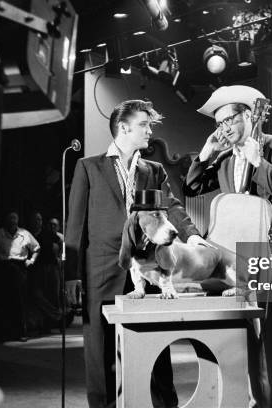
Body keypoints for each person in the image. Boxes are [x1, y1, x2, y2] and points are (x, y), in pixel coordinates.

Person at [65, 99, 206, 408]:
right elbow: (75, 226)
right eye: (144, 124)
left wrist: (193, 236)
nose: (149, 130)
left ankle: (164, 404)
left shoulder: (153, 170)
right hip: (101, 269)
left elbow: (170, 206)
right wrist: (71, 276)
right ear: (123, 128)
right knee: (100, 353)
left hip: (146, 267)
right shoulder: (88, 167)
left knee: (156, 349)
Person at [184, 85, 272, 408]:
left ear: (249, 116)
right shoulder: (222, 159)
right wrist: (206, 153)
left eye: (230, 121)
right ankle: (259, 401)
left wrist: (260, 165)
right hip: (240, 258)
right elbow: (192, 187)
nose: (225, 129)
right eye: (219, 124)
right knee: (246, 337)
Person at [0, 211, 40, 342]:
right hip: (3, 267)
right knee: (4, 299)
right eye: (10, 218)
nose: (13, 220)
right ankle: (3, 332)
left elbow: (36, 248)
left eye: (15, 218)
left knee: (20, 300)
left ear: (18, 220)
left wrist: (32, 260)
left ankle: (20, 332)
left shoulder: (24, 233)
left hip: (20, 268)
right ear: (6, 220)